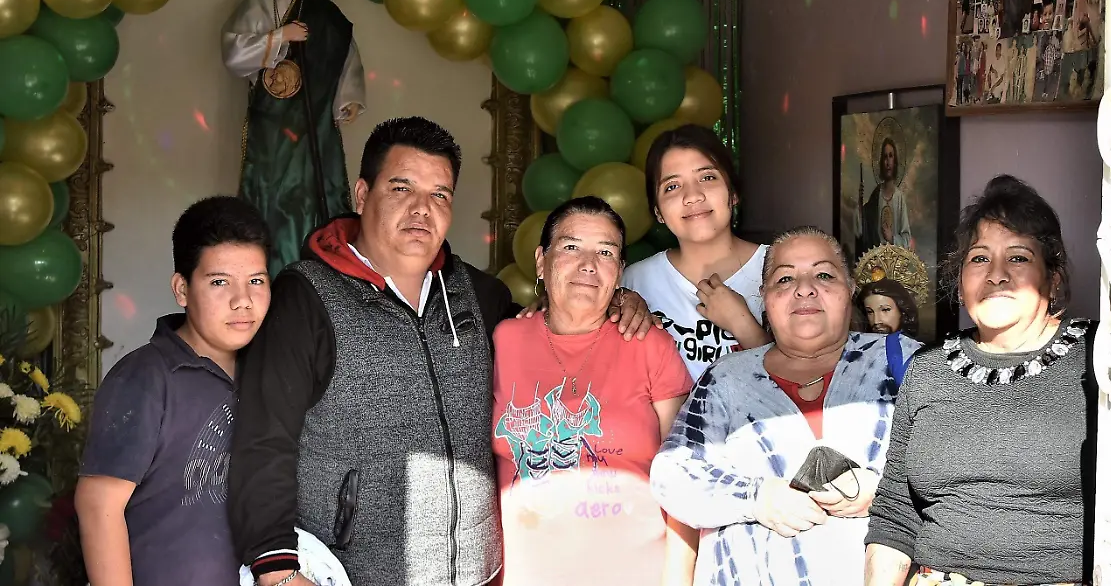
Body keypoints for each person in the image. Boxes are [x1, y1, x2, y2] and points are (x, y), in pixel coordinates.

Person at [228, 117, 656, 586]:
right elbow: (263, 440)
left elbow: (558, 324)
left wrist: (619, 298)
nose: (421, 209)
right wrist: (277, 570)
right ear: (362, 195)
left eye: (439, 194)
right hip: (356, 575)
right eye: (401, 188)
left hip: (480, 572)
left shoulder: (479, 295)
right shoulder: (305, 298)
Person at [865, 175, 1111, 586]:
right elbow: (895, 514)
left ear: (1053, 279)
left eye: (1018, 258)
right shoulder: (927, 370)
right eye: (979, 259)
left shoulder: (1104, 354)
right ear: (961, 282)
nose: (996, 274)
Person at [650, 226, 922, 585]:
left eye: (824, 275)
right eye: (785, 279)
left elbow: (963, 472)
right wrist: (755, 497)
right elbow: (671, 475)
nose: (804, 288)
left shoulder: (905, 361)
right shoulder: (726, 379)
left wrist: (885, 491)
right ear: (764, 296)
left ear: (850, 288)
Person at [492, 196, 695, 586]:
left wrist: (678, 578)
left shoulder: (649, 345)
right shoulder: (504, 340)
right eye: (571, 247)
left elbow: (685, 477)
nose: (588, 264)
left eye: (605, 252)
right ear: (541, 261)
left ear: (619, 272)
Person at [76, 197, 271, 585]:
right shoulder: (145, 378)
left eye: (256, 281)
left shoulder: (270, 372)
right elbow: (98, 505)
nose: (243, 301)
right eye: (219, 282)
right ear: (182, 289)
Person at [222, 0, 366, 277]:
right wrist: (280, 36)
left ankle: (316, 273)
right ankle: (268, 271)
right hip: (271, 122)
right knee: (271, 194)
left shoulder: (323, 11)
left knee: (309, 194)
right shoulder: (256, 5)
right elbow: (234, 54)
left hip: (312, 120)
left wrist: (347, 97)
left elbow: (342, 51)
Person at [623, 125, 770, 381]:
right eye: (672, 186)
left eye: (707, 177)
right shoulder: (633, 283)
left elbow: (811, 382)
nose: (692, 196)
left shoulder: (782, 269)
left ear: (733, 193)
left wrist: (744, 325)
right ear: (657, 211)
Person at [855, 123, 913, 256]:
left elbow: (907, 238)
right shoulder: (876, 194)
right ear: (881, 161)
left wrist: (892, 238)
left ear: (895, 161)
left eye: (891, 156)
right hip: (876, 260)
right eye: (885, 157)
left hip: (894, 261)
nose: (888, 162)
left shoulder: (899, 198)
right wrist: (860, 203)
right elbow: (864, 227)